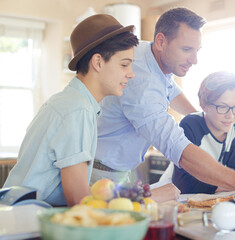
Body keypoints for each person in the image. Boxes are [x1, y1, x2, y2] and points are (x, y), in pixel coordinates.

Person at [94, 7, 235, 212]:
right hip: (100, 177)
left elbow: (171, 90)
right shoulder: (143, 85)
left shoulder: (148, 53)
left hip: (119, 173)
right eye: (187, 50)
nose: (194, 59)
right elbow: (179, 150)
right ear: (161, 41)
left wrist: (202, 118)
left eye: (197, 50)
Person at [3, 14, 139, 206]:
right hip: (26, 222)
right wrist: (139, 201)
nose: (131, 74)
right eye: (124, 64)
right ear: (98, 62)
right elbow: (78, 200)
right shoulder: (78, 110)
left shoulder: (71, 102)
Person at [171, 71, 235, 194]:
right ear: (204, 106)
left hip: (216, 197)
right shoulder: (190, 125)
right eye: (222, 107)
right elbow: (184, 184)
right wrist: (232, 183)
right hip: (179, 197)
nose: (231, 115)